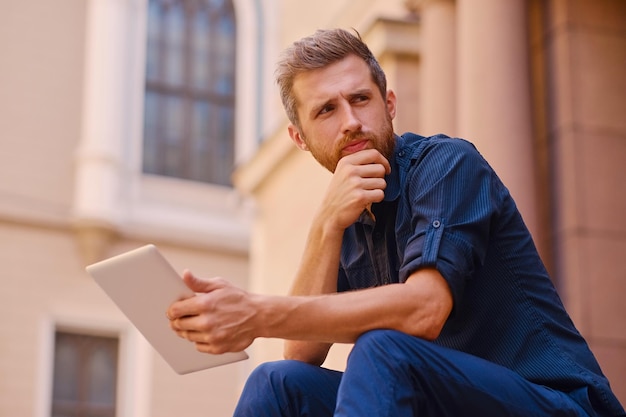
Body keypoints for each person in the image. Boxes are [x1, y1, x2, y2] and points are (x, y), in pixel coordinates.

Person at [166, 28, 625, 417]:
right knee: (277, 382)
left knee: (382, 349)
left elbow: (423, 309)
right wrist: (325, 227)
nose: (350, 122)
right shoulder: (343, 211)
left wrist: (256, 312)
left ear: (388, 104)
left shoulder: (446, 165)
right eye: (326, 110)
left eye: (360, 99)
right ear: (299, 138)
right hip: (445, 401)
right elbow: (302, 352)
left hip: (555, 403)